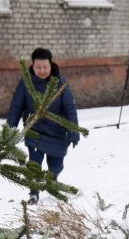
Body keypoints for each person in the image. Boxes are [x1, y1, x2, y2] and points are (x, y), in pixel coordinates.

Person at [6, 47, 80, 204]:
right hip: (35, 132)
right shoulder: (26, 83)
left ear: (51, 65)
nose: (42, 71)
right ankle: (34, 192)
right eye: (38, 67)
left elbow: (69, 109)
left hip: (57, 133)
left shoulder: (60, 83)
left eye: (45, 67)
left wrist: (73, 131)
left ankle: (50, 183)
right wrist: (9, 130)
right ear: (32, 66)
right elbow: (15, 108)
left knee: (56, 165)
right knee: (34, 166)